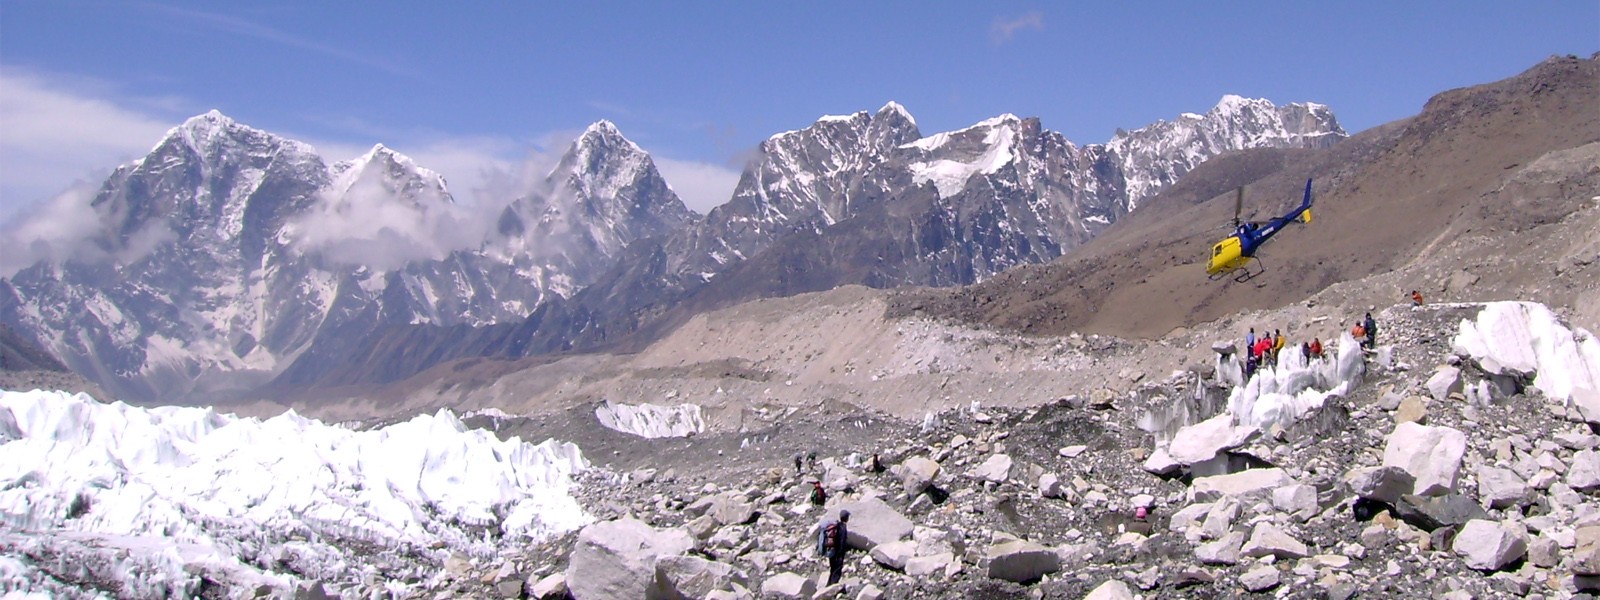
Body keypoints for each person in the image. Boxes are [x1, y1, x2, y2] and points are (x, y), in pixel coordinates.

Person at [818, 510, 851, 586]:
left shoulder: (837, 526)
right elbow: (842, 541)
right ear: (846, 518)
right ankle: (833, 587)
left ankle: (828, 585)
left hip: (832, 551)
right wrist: (841, 553)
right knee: (837, 571)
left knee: (832, 569)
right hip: (838, 553)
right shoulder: (843, 527)